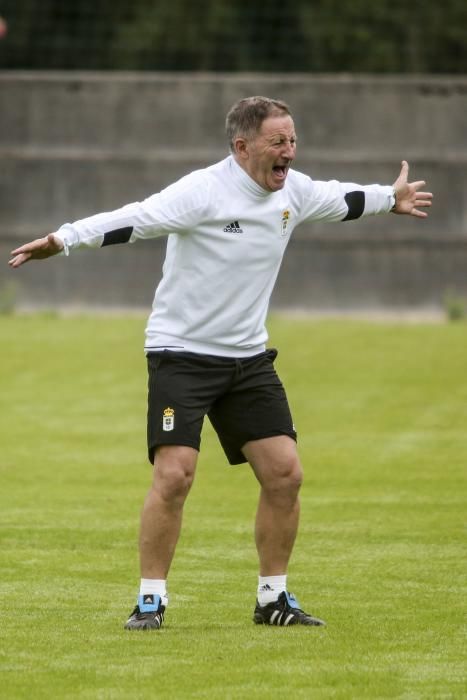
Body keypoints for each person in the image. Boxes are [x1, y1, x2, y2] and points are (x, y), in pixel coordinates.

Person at [9, 96, 433, 630]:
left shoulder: (292, 192)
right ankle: (150, 601)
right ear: (242, 146)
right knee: (175, 476)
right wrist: (63, 240)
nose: (289, 152)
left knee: (285, 474)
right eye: (278, 142)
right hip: (180, 355)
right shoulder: (203, 191)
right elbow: (134, 220)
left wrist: (386, 198)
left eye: (293, 141)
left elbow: (341, 197)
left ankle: (273, 599)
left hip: (247, 360)